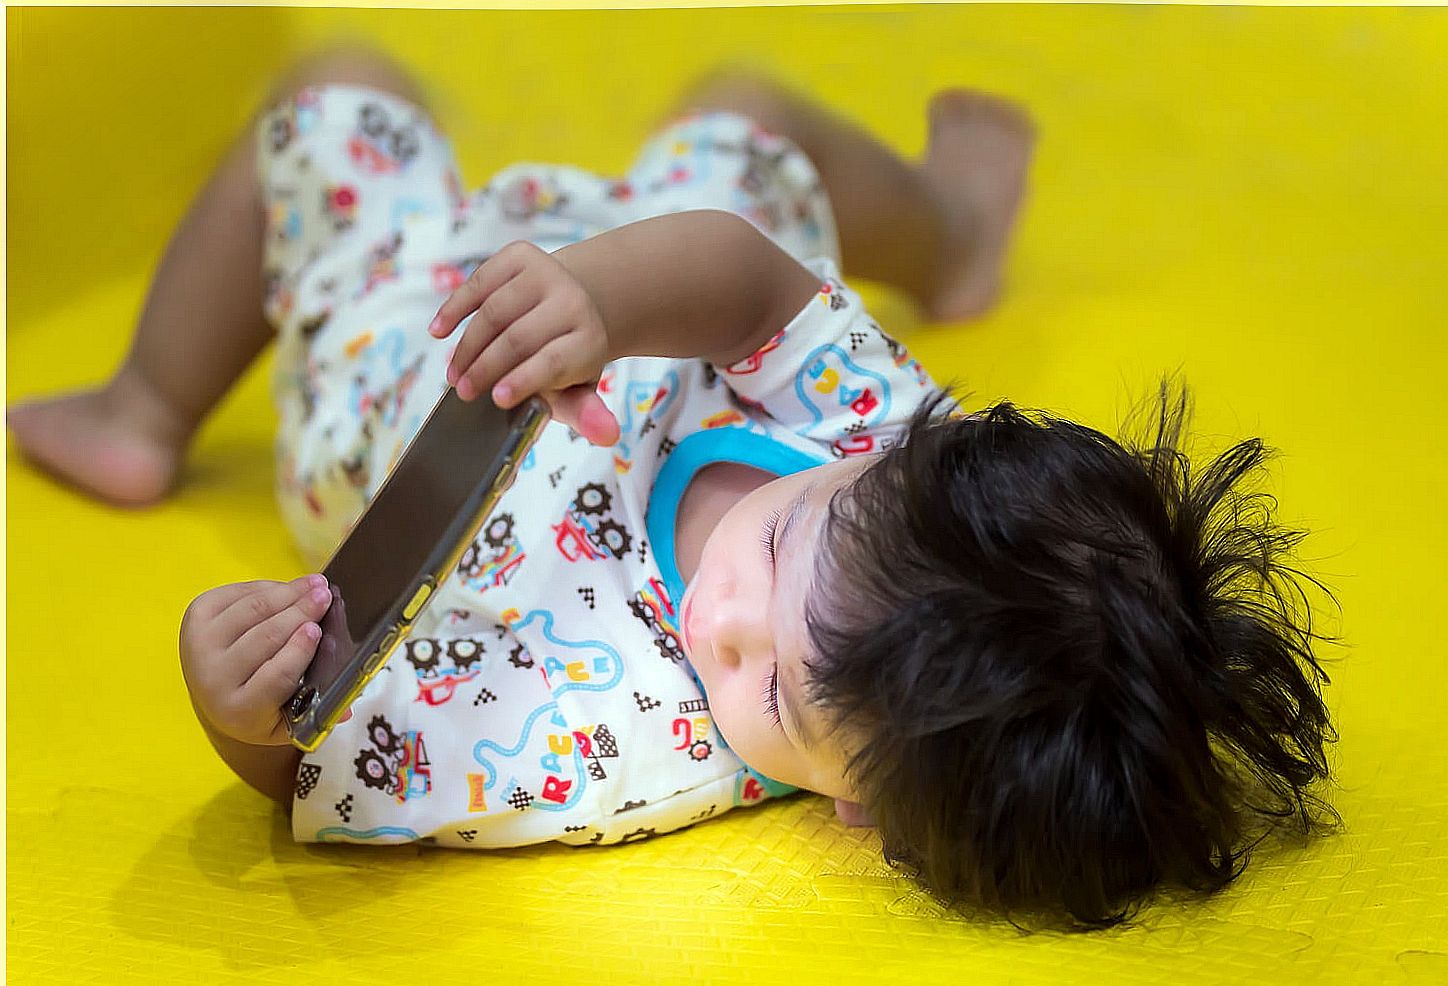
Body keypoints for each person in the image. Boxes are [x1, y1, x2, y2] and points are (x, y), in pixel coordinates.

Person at [7, 48, 1338, 928]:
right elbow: (751, 283)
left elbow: (341, 751)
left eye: (770, 693)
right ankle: (948, 228)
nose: (723, 620)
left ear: (858, 806)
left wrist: (235, 711)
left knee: (333, 95)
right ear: (889, 456)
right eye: (780, 547)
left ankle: (145, 406)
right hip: (624, 282)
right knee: (747, 114)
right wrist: (596, 292)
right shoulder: (892, 451)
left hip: (401, 361)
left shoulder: (615, 752)